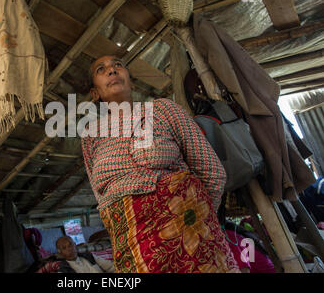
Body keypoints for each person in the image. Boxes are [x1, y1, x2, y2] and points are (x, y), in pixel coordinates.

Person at [81, 55, 240, 273]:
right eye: (102, 69)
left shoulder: (164, 110)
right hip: (132, 244)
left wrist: (195, 217)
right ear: (95, 93)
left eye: (118, 65)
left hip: (192, 232)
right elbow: (100, 195)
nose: (112, 70)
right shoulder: (90, 135)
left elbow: (211, 170)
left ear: (131, 81)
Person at [36, 236, 114, 273]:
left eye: (70, 244)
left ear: (75, 245)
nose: (69, 249)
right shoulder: (64, 269)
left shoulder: (88, 256)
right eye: (64, 248)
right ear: (60, 253)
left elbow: (111, 267)